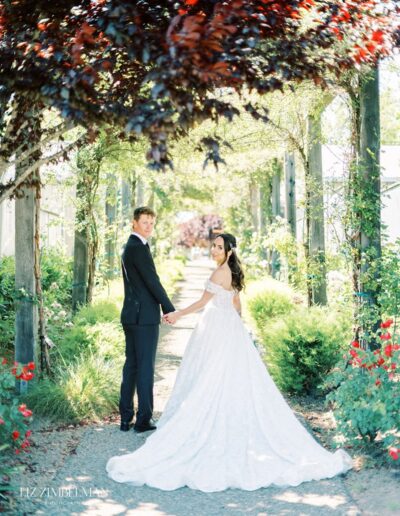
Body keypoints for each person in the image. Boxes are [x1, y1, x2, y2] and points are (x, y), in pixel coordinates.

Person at [107, 233, 352, 491]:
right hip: (229, 328)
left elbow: (203, 303)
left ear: (229, 251)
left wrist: (176, 314)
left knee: (211, 376)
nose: (213, 249)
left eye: (219, 247)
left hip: (216, 329)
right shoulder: (231, 272)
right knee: (231, 376)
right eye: (213, 245)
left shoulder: (219, 273)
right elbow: (237, 306)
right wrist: (237, 328)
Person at [118, 206, 175, 433]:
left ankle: (125, 418)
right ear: (134, 223)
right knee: (144, 368)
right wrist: (169, 308)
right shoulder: (138, 248)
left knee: (131, 365)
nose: (149, 227)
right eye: (145, 223)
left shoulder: (130, 246)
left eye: (152, 223)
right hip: (144, 318)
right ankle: (142, 420)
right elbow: (153, 281)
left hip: (131, 315)